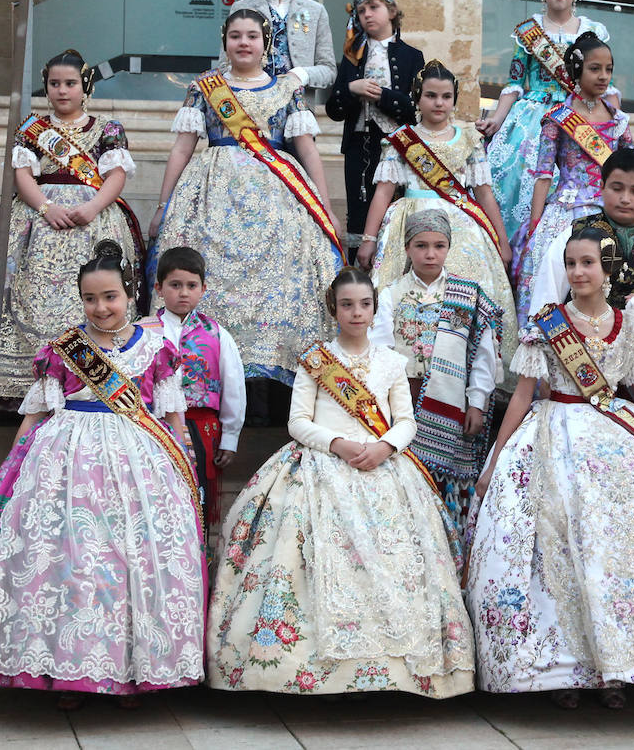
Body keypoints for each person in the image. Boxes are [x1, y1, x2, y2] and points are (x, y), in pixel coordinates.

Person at [0, 241, 203, 708]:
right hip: (66, 466)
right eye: (90, 298)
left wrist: (182, 457)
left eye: (109, 296)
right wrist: (14, 467)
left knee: (134, 566)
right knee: (72, 564)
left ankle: (132, 672)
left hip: (141, 468)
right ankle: (65, 673)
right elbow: (34, 414)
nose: (100, 307)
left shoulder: (157, 348)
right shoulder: (62, 349)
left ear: (129, 293)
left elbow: (171, 414)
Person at [469, 227, 634, 709]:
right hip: (554, 437)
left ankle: (621, 668)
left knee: (621, 548)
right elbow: (522, 398)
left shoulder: (631, 325)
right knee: (558, 551)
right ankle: (566, 673)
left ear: (607, 269)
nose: (577, 272)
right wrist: (494, 461)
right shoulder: (547, 324)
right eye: (571, 263)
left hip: (619, 433)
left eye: (588, 262)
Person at [208, 268, 475, 697]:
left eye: (364, 304)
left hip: (383, 467)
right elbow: (297, 422)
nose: (356, 312)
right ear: (334, 309)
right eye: (347, 304)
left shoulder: (392, 362)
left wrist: (385, 447)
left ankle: (400, 672)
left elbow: (406, 421)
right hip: (320, 466)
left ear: (374, 309)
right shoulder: (315, 361)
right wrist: (336, 444)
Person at [0, 49, 146, 408]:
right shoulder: (31, 129)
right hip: (36, 220)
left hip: (94, 218)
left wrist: (92, 207)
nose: (62, 90)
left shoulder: (107, 129)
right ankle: (24, 385)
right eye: (54, 83)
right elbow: (22, 175)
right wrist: (44, 207)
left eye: (70, 83)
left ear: (84, 86)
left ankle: (96, 379)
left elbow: (115, 175)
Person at [151, 7, 342, 384]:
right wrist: (163, 205)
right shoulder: (204, 87)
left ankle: (276, 382)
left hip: (279, 196)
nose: (243, 42)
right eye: (235, 35)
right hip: (210, 196)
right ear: (225, 41)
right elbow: (182, 149)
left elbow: (307, 150)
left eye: (252, 36)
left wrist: (326, 206)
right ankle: (205, 372)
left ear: (265, 43)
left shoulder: (288, 89)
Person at [356, 60, 514, 371]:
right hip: (410, 223)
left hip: (462, 229)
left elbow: (484, 194)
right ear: (417, 98)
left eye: (445, 96)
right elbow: (384, 193)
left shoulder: (469, 139)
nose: (438, 103)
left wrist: (502, 242)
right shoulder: (401, 141)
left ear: (454, 98)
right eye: (430, 95)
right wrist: (369, 239)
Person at [527, 149, 634, 407]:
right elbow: (545, 303)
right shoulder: (574, 236)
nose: (625, 199)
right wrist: (542, 371)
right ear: (602, 186)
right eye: (616, 188)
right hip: (577, 374)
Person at [369, 210, 503, 535]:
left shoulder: (467, 295)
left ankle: (446, 542)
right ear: (407, 248)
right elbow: (379, 352)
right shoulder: (389, 294)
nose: (431, 253)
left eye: (439, 245)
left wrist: (477, 402)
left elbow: (484, 355)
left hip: (451, 404)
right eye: (421, 245)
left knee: (444, 487)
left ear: (448, 247)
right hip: (403, 401)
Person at [476, 0, 614, 245]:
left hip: (581, 115)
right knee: (515, 182)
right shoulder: (528, 32)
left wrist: (612, 125)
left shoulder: (593, 31)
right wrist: (497, 119)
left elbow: (606, 85)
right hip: (533, 120)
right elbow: (514, 83)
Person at [514, 32, 633, 328]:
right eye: (595, 69)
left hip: (611, 212)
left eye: (609, 69)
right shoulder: (558, 117)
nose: (603, 76)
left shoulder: (619, 120)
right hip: (564, 213)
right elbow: (543, 176)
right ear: (577, 70)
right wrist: (534, 225)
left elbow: (632, 173)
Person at [140, 246, 245, 537]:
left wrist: (230, 437)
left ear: (203, 289)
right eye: (175, 285)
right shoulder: (143, 331)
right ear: (159, 288)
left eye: (191, 286)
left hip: (201, 428)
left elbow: (233, 386)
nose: (183, 293)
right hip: (154, 427)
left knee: (197, 495)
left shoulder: (217, 334)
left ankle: (199, 562)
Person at [326, 0, 424, 243]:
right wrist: (351, 88)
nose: (367, 14)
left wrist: (383, 96)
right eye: (361, 10)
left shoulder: (412, 56)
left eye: (373, 7)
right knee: (359, 212)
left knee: (397, 210)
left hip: (399, 145)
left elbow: (416, 110)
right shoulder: (352, 56)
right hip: (360, 145)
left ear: (391, 11)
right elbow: (333, 109)